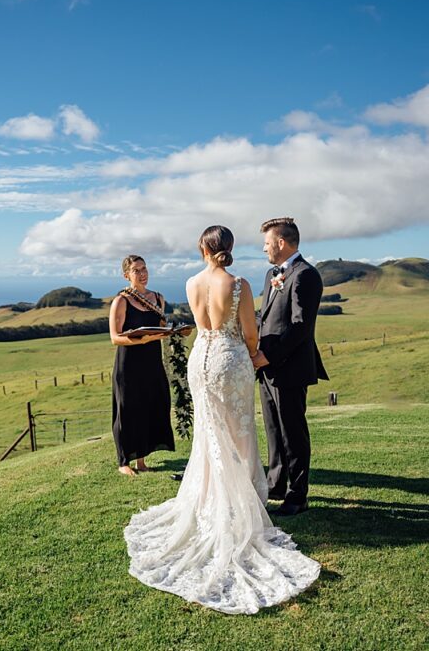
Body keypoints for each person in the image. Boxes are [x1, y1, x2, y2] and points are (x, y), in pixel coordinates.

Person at [125, 226, 321, 615]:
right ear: (229, 249)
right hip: (230, 360)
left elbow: (202, 326)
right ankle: (241, 501)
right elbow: (250, 334)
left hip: (201, 359)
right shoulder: (240, 285)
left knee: (209, 434)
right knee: (239, 434)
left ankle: (211, 499)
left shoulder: (190, 282)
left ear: (203, 248)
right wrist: (250, 352)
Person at [251, 217, 329, 516]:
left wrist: (270, 356)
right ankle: (275, 485)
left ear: (281, 243)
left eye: (267, 243)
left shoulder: (305, 275)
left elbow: (300, 327)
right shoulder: (274, 273)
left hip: (290, 367)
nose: (264, 248)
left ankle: (298, 495)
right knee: (273, 429)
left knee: (293, 433)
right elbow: (266, 316)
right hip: (267, 366)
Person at [109, 255, 175, 477]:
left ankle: (141, 460)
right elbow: (115, 338)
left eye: (145, 268)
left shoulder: (158, 298)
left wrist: (171, 331)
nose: (143, 273)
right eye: (137, 270)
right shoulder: (121, 301)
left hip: (152, 361)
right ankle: (123, 461)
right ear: (126, 275)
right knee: (127, 410)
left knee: (151, 405)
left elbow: (161, 326)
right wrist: (141, 340)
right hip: (128, 363)